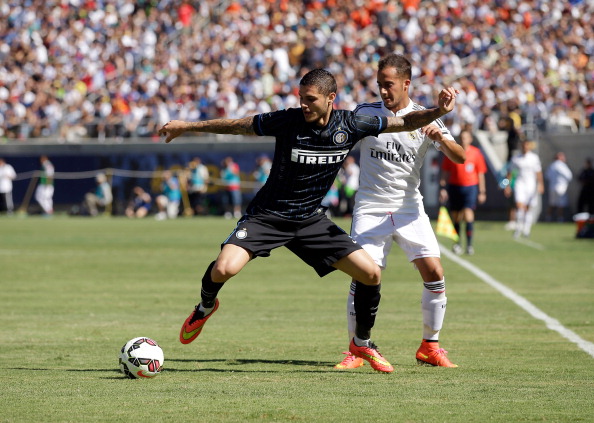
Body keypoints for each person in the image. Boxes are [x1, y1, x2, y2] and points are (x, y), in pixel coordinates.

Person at [158, 68, 459, 373]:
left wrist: (439, 111)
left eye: (310, 99)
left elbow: (405, 122)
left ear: (331, 98)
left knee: (370, 274)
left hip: (310, 221)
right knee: (223, 269)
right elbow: (239, 125)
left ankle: (361, 343)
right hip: (267, 216)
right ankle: (205, 306)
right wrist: (188, 126)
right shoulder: (288, 120)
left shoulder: (351, 124)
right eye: (301, 97)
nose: (303, 104)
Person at [334, 54, 465, 371]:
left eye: (388, 84)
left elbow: (460, 156)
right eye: (379, 84)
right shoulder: (366, 113)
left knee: (434, 272)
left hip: (408, 206)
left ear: (406, 84)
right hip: (370, 205)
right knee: (363, 276)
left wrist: (441, 141)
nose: (382, 90)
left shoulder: (425, 117)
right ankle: (357, 349)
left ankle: (430, 347)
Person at [439, 129, 487, 255]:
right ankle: (458, 243)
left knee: (468, 213)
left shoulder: (476, 153)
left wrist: (482, 191)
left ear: (470, 139)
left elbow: (480, 173)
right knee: (456, 216)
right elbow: (445, 171)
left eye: (466, 137)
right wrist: (443, 188)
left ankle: (469, 245)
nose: (463, 139)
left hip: (470, 187)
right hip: (454, 187)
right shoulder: (453, 151)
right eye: (462, 137)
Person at [505, 140, 544, 238]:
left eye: (527, 145)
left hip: (531, 185)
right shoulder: (516, 158)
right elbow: (509, 173)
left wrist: (541, 184)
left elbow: (538, 172)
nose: (525, 147)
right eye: (523, 145)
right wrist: (507, 185)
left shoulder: (534, 158)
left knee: (528, 208)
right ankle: (519, 227)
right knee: (519, 206)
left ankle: (527, 229)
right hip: (520, 184)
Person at [545, 152, 573, 222]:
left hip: (552, 187)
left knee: (552, 203)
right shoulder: (561, 165)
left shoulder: (551, 165)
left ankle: (548, 218)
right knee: (561, 204)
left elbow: (547, 176)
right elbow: (569, 176)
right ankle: (560, 219)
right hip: (561, 188)